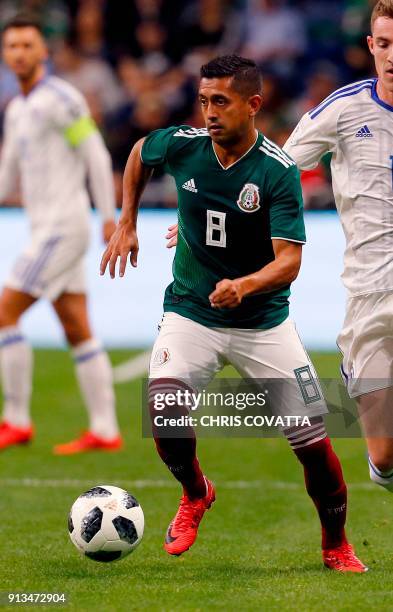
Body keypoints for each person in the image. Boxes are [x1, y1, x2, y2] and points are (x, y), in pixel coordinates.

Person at [101, 55, 366, 572]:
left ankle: (336, 543)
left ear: (253, 105)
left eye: (220, 101)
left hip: (263, 324)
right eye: (203, 101)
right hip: (191, 312)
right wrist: (126, 219)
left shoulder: (278, 170)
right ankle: (196, 492)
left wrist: (244, 285)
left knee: (314, 445)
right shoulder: (185, 146)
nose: (209, 113)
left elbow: (289, 261)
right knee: (162, 410)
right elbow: (139, 151)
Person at [283, 0, 393, 494]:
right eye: (385, 44)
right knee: (385, 458)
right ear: (371, 46)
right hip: (372, 298)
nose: (392, 55)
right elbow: (276, 171)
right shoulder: (344, 110)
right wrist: (207, 214)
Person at [0, 14, 122, 454]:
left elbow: (94, 154)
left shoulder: (61, 98)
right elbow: (8, 170)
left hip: (62, 227)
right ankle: (105, 430)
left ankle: (15, 420)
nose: (19, 53)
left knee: (4, 314)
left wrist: (110, 215)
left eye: (27, 45)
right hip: (44, 228)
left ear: (43, 52)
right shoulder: (16, 108)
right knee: (77, 327)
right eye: (12, 46)